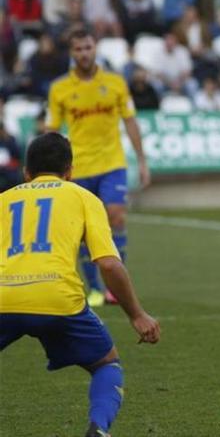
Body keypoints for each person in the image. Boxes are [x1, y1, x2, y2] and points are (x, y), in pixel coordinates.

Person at [0, 133, 160, 437]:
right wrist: (137, 315)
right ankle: (98, 429)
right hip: (58, 299)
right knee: (106, 365)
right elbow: (109, 264)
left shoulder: (3, 200)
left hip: (3, 296)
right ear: (70, 171)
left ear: (26, 172)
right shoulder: (83, 197)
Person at [46, 28, 151, 308]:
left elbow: (130, 121)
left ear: (96, 49)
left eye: (88, 48)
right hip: (78, 167)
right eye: (78, 49)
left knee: (116, 216)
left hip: (111, 162)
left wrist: (141, 160)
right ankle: (94, 288)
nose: (84, 53)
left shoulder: (116, 83)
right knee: (81, 230)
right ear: (72, 53)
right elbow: (52, 129)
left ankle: (116, 287)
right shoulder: (59, 89)